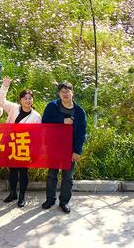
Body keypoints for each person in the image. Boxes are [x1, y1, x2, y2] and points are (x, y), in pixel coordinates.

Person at [42, 81, 87, 214]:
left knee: (67, 177)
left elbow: (82, 133)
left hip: (70, 149)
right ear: (59, 94)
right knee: (52, 174)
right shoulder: (52, 106)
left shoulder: (79, 112)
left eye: (68, 91)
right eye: (62, 91)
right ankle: (50, 199)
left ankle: (64, 202)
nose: (65, 94)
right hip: (54, 147)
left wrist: (77, 151)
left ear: (72, 93)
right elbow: (45, 123)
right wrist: (62, 121)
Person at [0, 81, 42, 207]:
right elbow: (1, 101)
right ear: (20, 100)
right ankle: (13, 193)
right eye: (25, 98)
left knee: (23, 172)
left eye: (30, 98)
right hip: (11, 144)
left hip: (24, 147)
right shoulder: (14, 108)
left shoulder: (36, 117)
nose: (28, 100)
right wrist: (4, 87)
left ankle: (22, 196)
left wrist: (34, 151)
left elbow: (37, 136)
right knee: (12, 171)